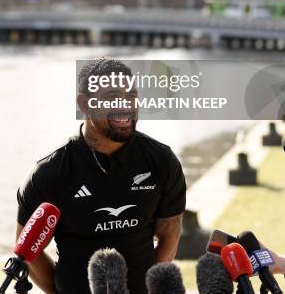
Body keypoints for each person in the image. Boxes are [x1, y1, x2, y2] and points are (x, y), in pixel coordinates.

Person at [16, 57, 186, 294]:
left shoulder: (162, 161)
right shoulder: (50, 172)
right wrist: (58, 291)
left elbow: (170, 234)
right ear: (84, 104)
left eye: (131, 97)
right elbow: (27, 250)